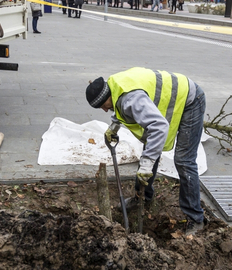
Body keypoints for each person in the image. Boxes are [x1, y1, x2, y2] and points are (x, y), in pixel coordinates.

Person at [85, 67, 207, 228]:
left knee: (184, 160)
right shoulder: (114, 86)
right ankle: (142, 197)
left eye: (103, 105)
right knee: (150, 149)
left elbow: (158, 126)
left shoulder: (131, 99)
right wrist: (114, 126)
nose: (105, 109)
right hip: (175, 97)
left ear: (107, 95)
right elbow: (121, 105)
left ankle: (196, 218)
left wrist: (147, 164)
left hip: (191, 100)